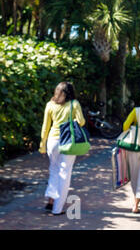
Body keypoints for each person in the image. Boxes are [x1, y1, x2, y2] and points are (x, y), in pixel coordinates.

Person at [39, 82, 85, 215]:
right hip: (68, 142)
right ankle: (57, 209)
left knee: (53, 170)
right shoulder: (74, 104)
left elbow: (45, 126)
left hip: (52, 141)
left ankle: (50, 201)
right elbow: (81, 122)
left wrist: (42, 145)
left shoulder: (50, 105)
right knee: (65, 173)